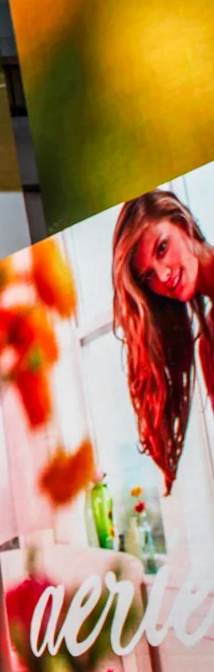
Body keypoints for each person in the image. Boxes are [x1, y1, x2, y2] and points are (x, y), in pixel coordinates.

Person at [113, 188, 214, 491]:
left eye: (162, 248)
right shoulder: (208, 347)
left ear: (181, 223)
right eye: (148, 276)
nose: (163, 275)